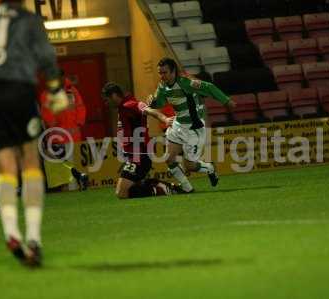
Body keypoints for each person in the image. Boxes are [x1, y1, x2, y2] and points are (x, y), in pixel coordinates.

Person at [0, 0, 68, 267]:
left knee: (4, 167)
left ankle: (10, 232)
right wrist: (55, 88)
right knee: (30, 161)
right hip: (19, 91)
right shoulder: (29, 19)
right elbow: (45, 55)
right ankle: (32, 237)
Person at [149, 57, 236, 193]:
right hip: (178, 125)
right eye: (160, 73)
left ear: (173, 72)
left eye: (164, 72)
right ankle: (187, 188)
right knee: (169, 159)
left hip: (193, 128)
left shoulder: (186, 82)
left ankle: (209, 168)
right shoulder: (162, 86)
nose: (161, 76)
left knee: (189, 166)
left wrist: (226, 100)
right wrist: (153, 102)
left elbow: (209, 87)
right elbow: (159, 103)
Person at [101, 82, 181, 199]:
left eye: (106, 99)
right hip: (134, 157)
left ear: (113, 95)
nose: (105, 103)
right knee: (128, 190)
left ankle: (160, 187)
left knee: (121, 193)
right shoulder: (123, 107)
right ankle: (156, 186)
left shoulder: (130, 105)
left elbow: (148, 110)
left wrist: (164, 119)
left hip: (139, 158)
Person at [39, 70, 89, 191]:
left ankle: (79, 186)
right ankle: (66, 189)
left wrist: (79, 121)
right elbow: (46, 113)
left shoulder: (72, 91)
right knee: (62, 166)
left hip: (75, 137)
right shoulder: (46, 94)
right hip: (58, 137)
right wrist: (53, 124)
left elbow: (80, 106)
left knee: (76, 164)